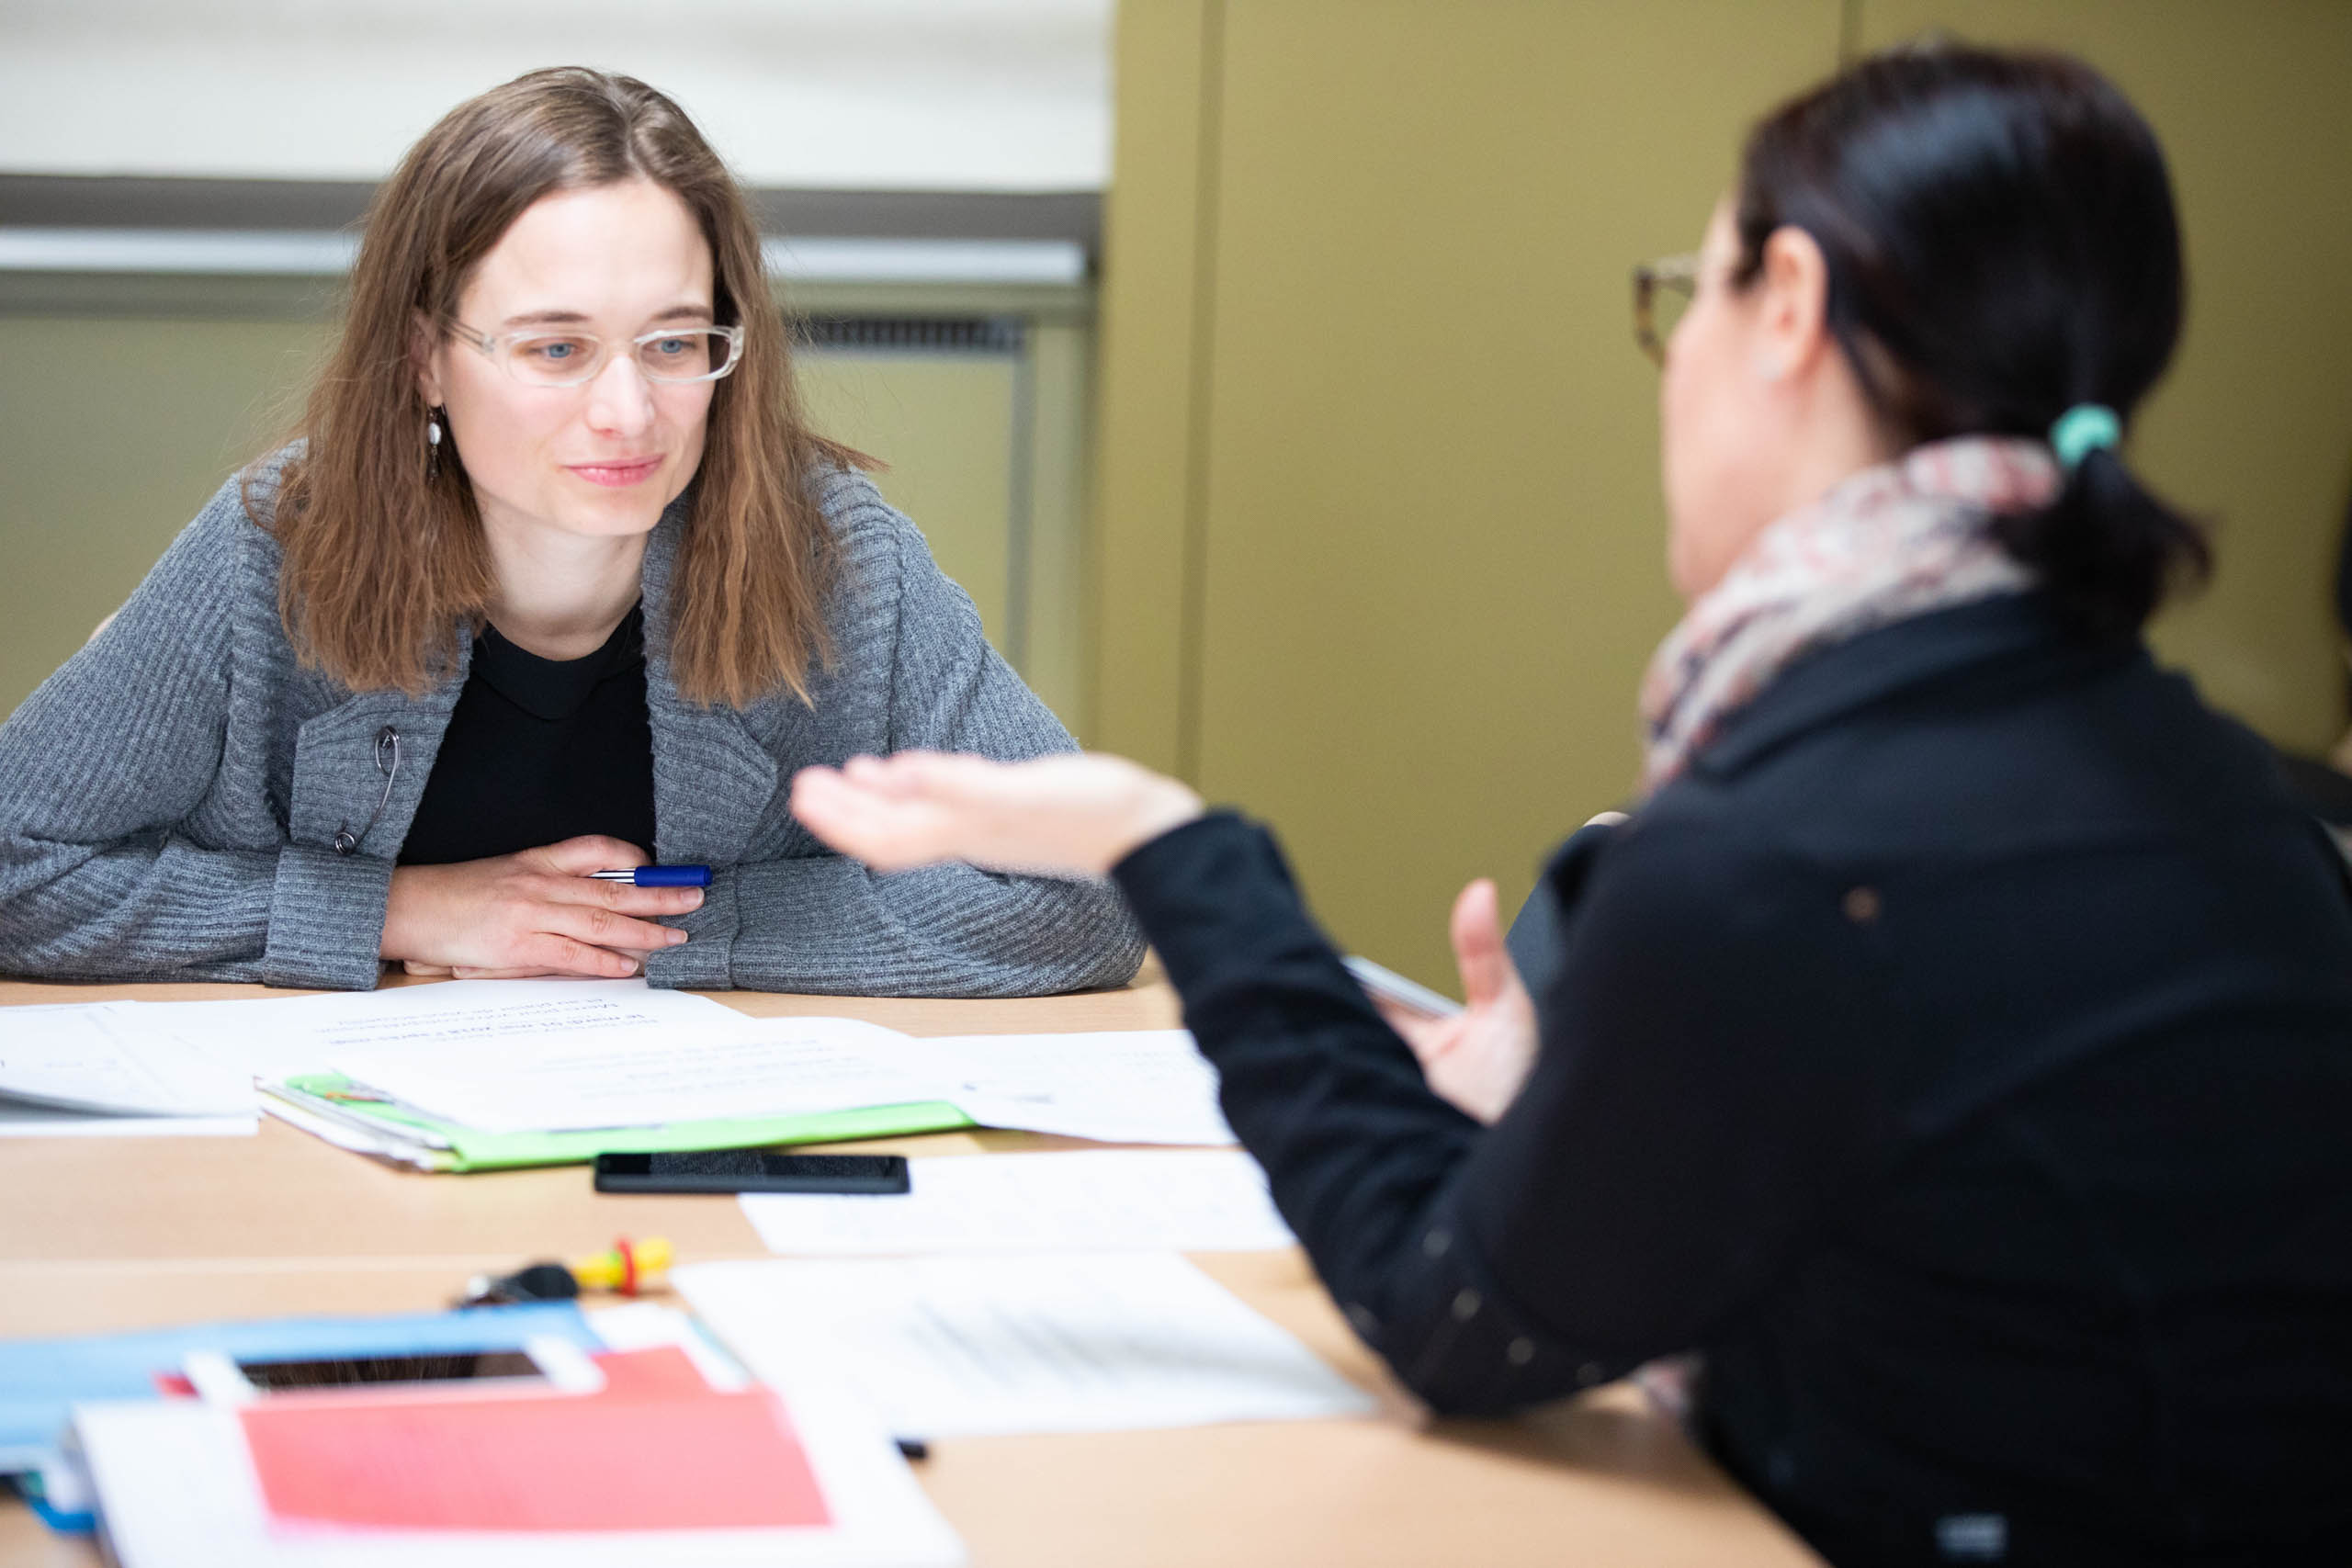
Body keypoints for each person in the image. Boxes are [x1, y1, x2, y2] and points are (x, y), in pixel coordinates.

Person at [787, 44, 2352, 1567]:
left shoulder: (1777, 856)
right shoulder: (2242, 806)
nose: (1674, 361)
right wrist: (1604, 1094)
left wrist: (1170, 847)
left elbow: (1449, 1312)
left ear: (1789, 307)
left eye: (1693, 295)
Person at [0, 68, 1142, 997]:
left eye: (673, 342)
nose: (627, 412)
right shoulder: (279, 549)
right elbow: (16, 863)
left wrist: (650, 933)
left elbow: (1094, 890)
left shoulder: (838, 557)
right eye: (556, 348)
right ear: (424, 358)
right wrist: (406, 911)